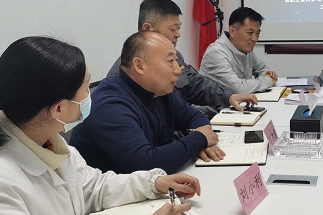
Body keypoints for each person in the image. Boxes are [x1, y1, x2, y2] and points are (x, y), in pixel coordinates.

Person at [0, 36, 202, 215]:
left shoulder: (47, 140)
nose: (89, 96)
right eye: (86, 89)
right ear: (58, 109)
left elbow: (92, 186)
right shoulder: (0, 183)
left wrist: (152, 183)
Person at [71, 31, 225, 174]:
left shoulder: (158, 90)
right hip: (111, 192)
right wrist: (199, 139)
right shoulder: (110, 106)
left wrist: (201, 143)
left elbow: (195, 117)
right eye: (170, 61)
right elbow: (146, 164)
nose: (178, 69)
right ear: (139, 65)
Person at [107, 0, 257, 117]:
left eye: (178, 28)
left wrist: (228, 96)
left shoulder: (176, 56)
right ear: (148, 29)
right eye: (173, 29)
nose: (178, 34)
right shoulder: (128, 71)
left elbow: (195, 84)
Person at [199, 6, 278, 94]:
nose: (255, 38)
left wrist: (268, 74)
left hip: (239, 101)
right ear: (232, 31)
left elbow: (262, 68)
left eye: (257, 33)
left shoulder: (246, 50)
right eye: (250, 33)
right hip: (215, 103)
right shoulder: (216, 52)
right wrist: (268, 81)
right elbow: (239, 89)